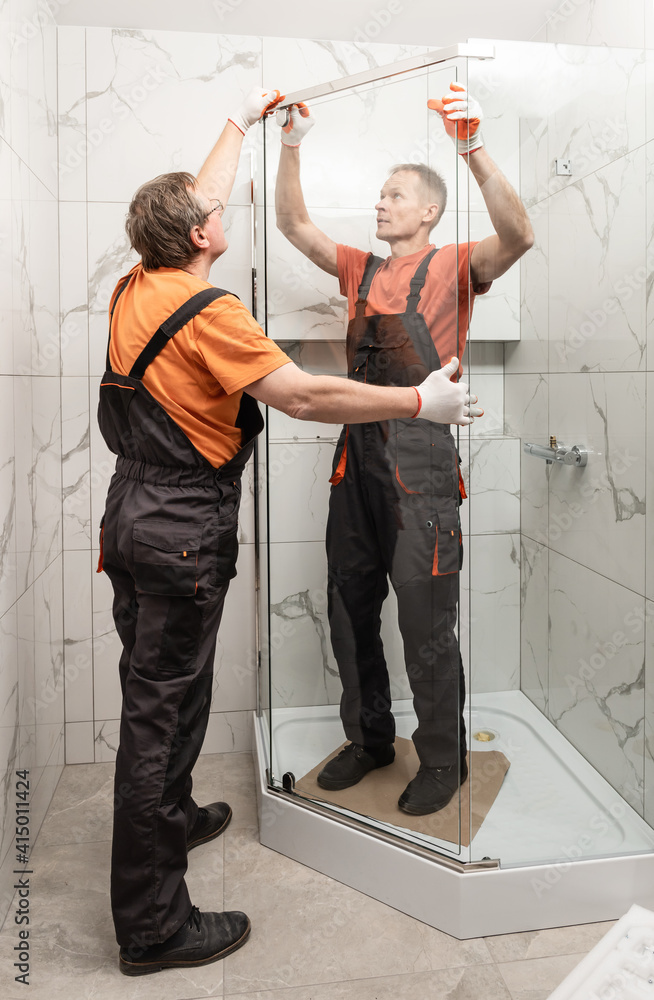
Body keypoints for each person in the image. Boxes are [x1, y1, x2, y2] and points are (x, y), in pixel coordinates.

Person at [97, 85, 482, 978]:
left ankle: (173, 818)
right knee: (160, 714)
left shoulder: (136, 285)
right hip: (182, 525)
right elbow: (303, 396)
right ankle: (152, 927)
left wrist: (239, 121)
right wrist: (418, 400)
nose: (218, 210)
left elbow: (193, 200)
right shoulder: (210, 312)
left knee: (163, 692)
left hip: (134, 515)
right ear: (200, 235)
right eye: (210, 212)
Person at [275, 84, 533, 818]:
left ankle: (444, 758)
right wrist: (291, 144)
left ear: (429, 212)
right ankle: (370, 740)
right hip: (355, 459)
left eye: (394, 195)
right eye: (380, 195)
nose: (380, 204)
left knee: (425, 619)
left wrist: (472, 147)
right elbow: (292, 223)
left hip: (420, 463)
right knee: (350, 605)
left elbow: (519, 235)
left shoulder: (456, 265)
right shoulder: (359, 269)